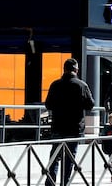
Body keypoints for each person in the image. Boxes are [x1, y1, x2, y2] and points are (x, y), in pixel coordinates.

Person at [44, 58, 95, 186]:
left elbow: (48, 104)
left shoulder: (55, 84)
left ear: (64, 69)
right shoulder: (81, 85)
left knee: (55, 156)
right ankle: (64, 183)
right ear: (76, 70)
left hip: (58, 126)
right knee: (69, 158)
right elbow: (90, 105)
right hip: (74, 127)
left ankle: (50, 182)